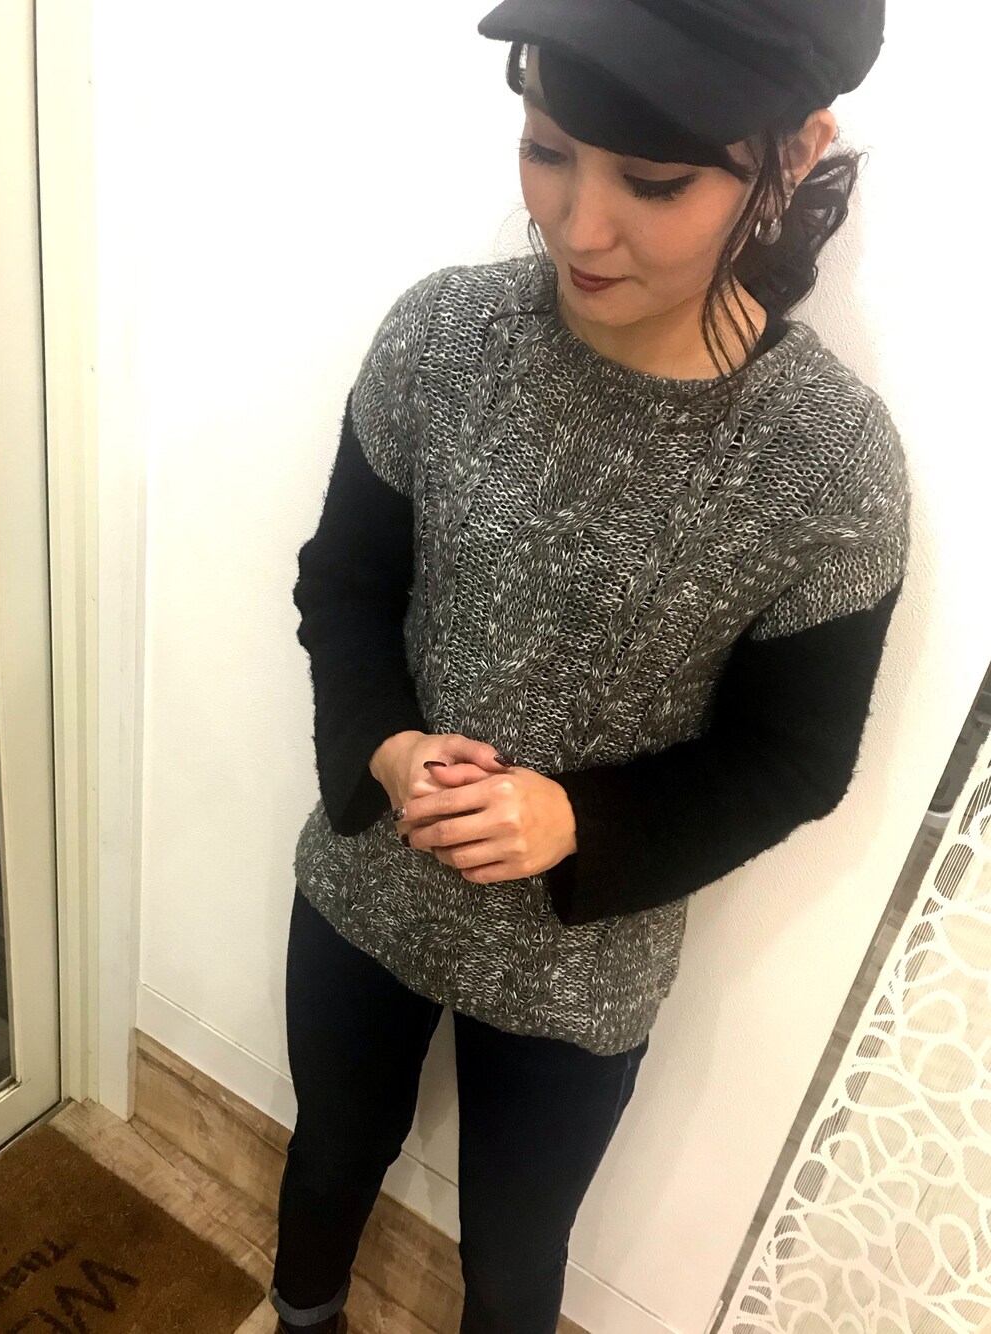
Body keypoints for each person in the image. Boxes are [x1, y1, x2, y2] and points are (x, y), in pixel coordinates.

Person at [269, 2, 910, 1331]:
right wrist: (389, 746)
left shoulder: (829, 463)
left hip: (582, 967)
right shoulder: (444, 336)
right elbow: (345, 583)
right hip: (369, 884)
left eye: (654, 182)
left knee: (514, 1259)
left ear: (796, 150)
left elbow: (795, 758)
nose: (578, 225)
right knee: (329, 1154)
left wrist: (574, 822)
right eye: (546, 149)